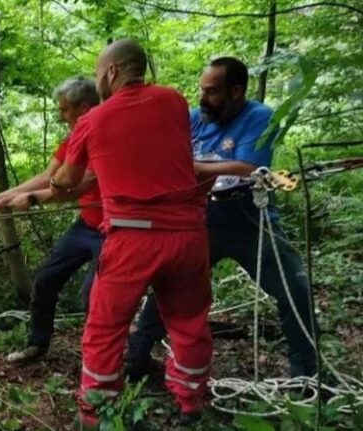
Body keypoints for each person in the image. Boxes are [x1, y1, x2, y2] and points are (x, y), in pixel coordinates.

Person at [52, 40, 213, 427]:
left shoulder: (92, 120)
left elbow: (67, 180)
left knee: (105, 327)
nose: (98, 82)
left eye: (97, 73)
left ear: (111, 72)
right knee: (189, 321)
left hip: (133, 238)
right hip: (188, 235)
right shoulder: (175, 101)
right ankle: (191, 402)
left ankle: (98, 411)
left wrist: (57, 185)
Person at [126, 57, 318, 379]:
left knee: (293, 287)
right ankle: (137, 360)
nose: (203, 98)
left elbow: (248, 167)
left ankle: (308, 375)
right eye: (202, 90)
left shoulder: (260, 117)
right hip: (202, 215)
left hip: (249, 216)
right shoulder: (195, 118)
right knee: (169, 284)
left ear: (236, 91)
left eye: (212, 92)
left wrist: (195, 167)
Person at [0, 77, 103, 363]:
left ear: (84, 107)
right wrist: (4, 196)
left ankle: (99, 360)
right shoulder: (74, 136)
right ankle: (38, 343)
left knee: (94, 296)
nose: (60, 116)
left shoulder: (103, 132)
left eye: (64, 109)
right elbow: (51, 177)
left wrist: (34, 199)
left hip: (112, 229)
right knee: (46, 278)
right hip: (86, 223)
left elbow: (81, 183)